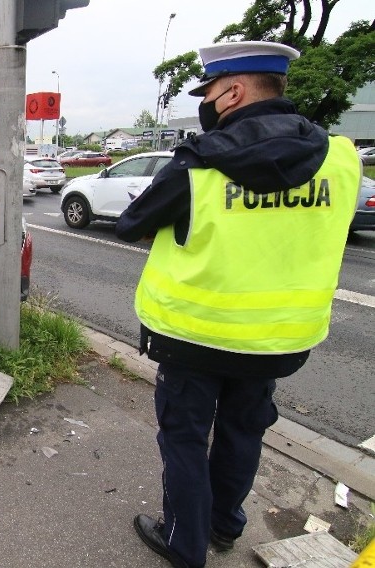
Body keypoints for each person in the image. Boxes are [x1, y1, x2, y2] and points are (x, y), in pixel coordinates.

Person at [115, 41, 361, 568]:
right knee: (243, 432)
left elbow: (132, 224)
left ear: (234, 89)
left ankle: (184, 545)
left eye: (209, 92)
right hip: (278, 339)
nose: (208, 102)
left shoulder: (197, 164)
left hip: (194, 337)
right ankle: (225, 527)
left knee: (184, 440)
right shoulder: (341, 158)